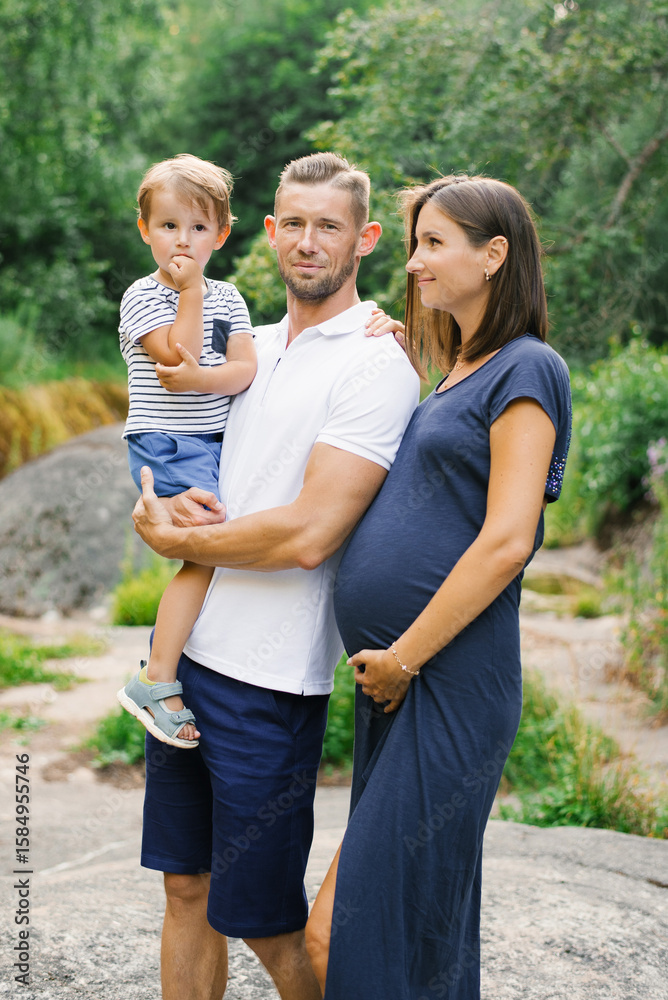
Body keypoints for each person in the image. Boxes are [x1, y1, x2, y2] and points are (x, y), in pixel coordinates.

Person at [130, 152, 420, 1000]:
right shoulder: (244, 344)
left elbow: (309, 535)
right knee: (184, 887)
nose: (307, 241)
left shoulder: (377, 363)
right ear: (265, 232)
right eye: (292, 222)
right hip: (183, 667)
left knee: (262, 917)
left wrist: (171, 544)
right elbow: (179, 434)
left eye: (328, 225)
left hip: (269, 681)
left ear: (364, 238)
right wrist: (165, 510)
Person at [304, 174, 572, 1000]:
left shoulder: (529, 368)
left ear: (493, 255)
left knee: (341, 936)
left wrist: (406, 657)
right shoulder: (458, 370)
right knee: (416, 938)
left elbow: (506, 542)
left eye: (432, 243)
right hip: (400, 686)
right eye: (415, 242)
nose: (413, 261)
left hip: (445, 679)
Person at [116, 154, 257, 748]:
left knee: (219, 552)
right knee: (202, 554)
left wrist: (203, 379)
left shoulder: (232, 299)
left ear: (221, 235)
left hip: (220, 440)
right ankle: (158, 677)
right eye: (169, 226)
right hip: (168, 443)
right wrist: (191, 292)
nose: (183, 240)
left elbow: (244, 369)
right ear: (145, 230)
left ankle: (191, 666)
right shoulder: (142, 296)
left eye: (199, 228)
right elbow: (178, 352)